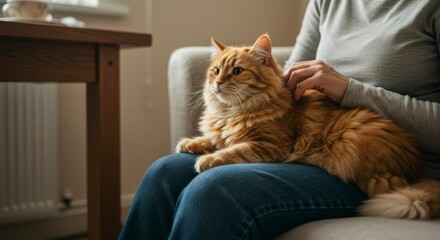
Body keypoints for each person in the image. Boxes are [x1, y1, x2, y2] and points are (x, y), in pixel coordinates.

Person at [119, 0, 440, 239]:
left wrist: (350, 90)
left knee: (215, 190)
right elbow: (286, 77)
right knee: (165, 172)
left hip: (368, 161)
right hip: (304, 141)